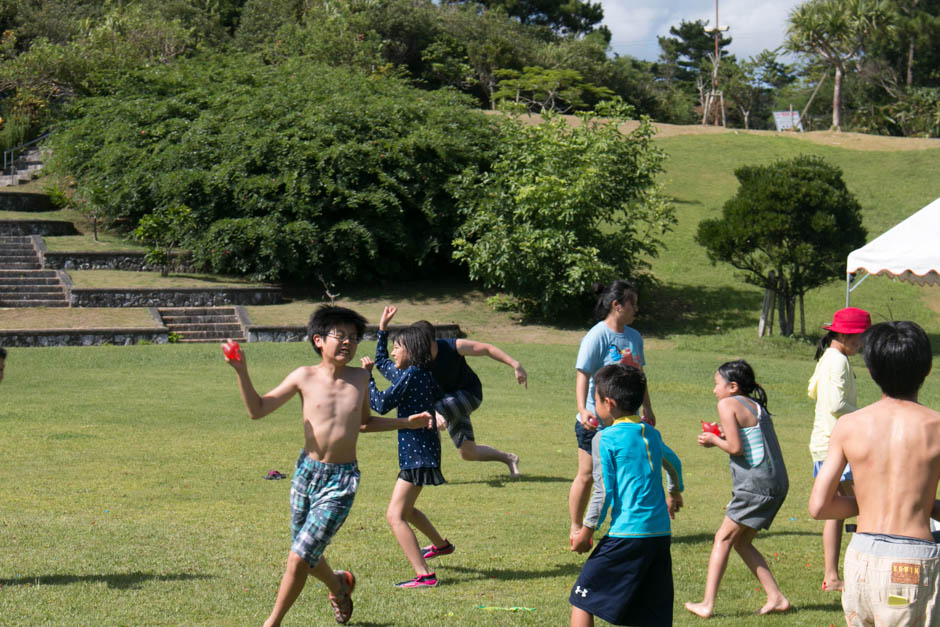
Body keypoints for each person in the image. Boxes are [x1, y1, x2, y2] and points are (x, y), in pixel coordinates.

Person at [223, 306, 431, 626]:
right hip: (306, 474)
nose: (348, 342)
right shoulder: (303, 376)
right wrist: (241, 371)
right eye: (340, 335)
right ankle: (339, 584)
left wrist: (407, 423)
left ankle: (272, 623)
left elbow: (364, 422)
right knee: (305, 552)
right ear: (319, 340)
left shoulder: (361, 378)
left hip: (341, 479)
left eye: (353, 337)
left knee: (298, 556)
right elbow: (257, 409)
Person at [809, 321, 940, 626]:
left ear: (870, 369)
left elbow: (819, 506)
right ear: (927, 369)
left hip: (860, 564)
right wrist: (925, 506)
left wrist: (869, 503)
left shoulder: (849, 425)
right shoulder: (936, 427)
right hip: (909, 567)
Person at [568, 363, 683, 627]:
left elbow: (604, 491)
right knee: (651, 613)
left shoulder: (605, 439)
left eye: (594, 399)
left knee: (582, 598)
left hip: (626, 535)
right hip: (659, 536)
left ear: (608, 403)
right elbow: (674, 463)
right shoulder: (651, 433)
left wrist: (586, 531)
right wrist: (674, 492)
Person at [685, 360, 790, 618]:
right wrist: (722, 435)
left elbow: (735, 448)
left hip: (756, 485)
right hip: (776, 483)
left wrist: (713, 439)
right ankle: (776, 597)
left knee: (722, 538)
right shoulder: (754, 404)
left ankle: (707, 604)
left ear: (732, 386)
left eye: (716, 384)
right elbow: (747, 437)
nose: (714, 390)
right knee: (742, 542)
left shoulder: (726, 403)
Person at [374, 305, 525, 478]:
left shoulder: (453, 347)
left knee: (427, 415)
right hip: (445, 403)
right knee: (468, 453)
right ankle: (509, 458)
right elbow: (382, 362)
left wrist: (515, 364)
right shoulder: (413, 368)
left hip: (469, 394)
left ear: (430, 340)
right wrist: (382, 328)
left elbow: (486, 348)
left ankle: (431, 470)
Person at [362, 325, 451, 588]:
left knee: (395, 515)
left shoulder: (411, 375)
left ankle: (425, 575)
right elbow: (383, 363)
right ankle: (442, 546)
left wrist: (367, 378)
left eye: (397, 346)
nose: (393, 351)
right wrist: (381, 331)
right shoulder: (418, 373)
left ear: (411, 351)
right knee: (407, 510)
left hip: (418, 454)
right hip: (423, 452)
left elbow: (379, 404)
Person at [569, 279, 655, 543]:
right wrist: (583, 409)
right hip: (596, 421)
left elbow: (640, 376)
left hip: (625, 420)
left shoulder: (634, 337)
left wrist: (648, 408)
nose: (636, 310)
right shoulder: (597, 336)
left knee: (619, 475)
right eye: (633, 304)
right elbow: (583, 374)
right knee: (587, 475)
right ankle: (576, 526)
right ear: (617, 305)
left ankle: (619, 524)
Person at [807, 306, 871, 592]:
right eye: (859, 337)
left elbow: (813, 391)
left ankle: (832, 576)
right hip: (839, 447)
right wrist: (869, 414)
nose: (862, 342)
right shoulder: (838, 361)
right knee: (868, 506)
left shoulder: (829, 358)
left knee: (836, 510)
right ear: (844, 334)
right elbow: (836, 405)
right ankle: (866, 571)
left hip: (824, 444)